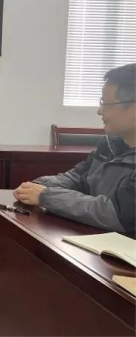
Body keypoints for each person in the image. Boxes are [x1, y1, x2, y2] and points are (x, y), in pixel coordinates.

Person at [14, 63, 136, 236]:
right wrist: (38, 186)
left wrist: (45, 196)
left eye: (106, 104)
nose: (99, 111)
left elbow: (116, 214)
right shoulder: (109, 145)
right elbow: (79, 178)